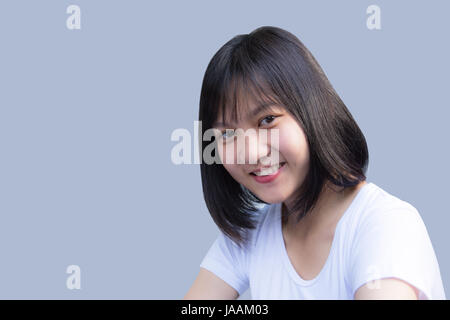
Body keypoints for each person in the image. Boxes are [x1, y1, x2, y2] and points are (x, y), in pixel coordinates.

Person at [184, 26, 446, 300]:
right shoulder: (248, 236)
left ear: (312, 111)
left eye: (267, 120)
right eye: (227, 134)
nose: (250, 153)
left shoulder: (385, 224)